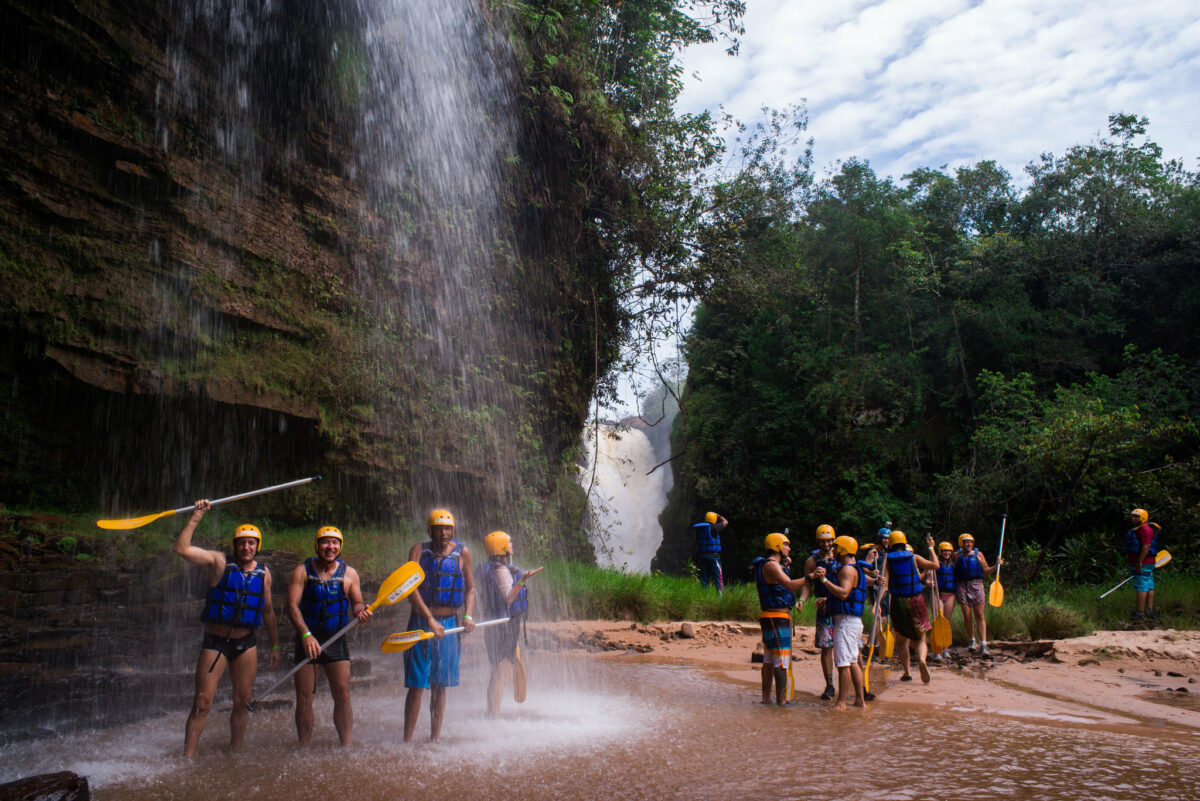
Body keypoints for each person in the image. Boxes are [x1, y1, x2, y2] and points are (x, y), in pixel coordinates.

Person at [172, 500, 280, 757]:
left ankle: (236, 752)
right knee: (202, 703)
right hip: (216, 643)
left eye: (251, 543)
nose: (246, 547)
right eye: (242, 542)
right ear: (235, 545)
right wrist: (197, 516)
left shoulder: (264, 573)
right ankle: (187, 757)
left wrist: (275, 645)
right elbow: (181, 548)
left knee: (242, 702)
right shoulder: (219, 562)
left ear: (258, 546)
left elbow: (267, 611)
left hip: (246, 644)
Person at [285, 525, 372, 747]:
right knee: (304, 697)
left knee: (342, 694)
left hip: (336, 639)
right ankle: (304, 747)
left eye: (335, 543)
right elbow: (291, 606)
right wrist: (305, 635)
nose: (330, 547)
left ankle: (347, 747)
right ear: (317, 545)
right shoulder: (302, 571)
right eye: (325, 542)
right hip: (308, 640)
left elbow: (357, 602)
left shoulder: (350, 574)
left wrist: (361, 611)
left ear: (340, 546)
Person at [403, 508, 476, 742]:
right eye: (438, 528)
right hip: (421, 623)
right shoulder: (418, 550)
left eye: (447, 528)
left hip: (449, 625)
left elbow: (470, 589)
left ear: (452, 530)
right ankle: (406, 741)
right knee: (416, 684)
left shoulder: (463, 552)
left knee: (439, 685)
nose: (443, 533)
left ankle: (434, 738)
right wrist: (429, 619)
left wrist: (468, 616)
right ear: (430, 530)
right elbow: (410, 588)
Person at [475, 530, 543, 718]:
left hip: (495, 625)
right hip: (504, 627)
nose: (512, 546)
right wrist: (524, 578)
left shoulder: (490, 568)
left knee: (498, 671)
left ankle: (492, 714)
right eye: (509, 543)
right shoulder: (501, 570)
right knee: (501, 672)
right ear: (502, 547)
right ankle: (493, 717)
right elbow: (509, 598)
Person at [750, 532, 824, 705]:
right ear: (777, 547)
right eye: (786, 545)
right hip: (777, 618)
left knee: (769, 659)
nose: (789, 548)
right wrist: (810, 577)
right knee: (781, 661)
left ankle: (766, 699)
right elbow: (790, 585)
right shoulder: (772, 566)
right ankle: (782, 702)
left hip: (773, 617)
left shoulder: (773, 565)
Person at [819, 535, 875, 709]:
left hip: (845, 623)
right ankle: (860, 700)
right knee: (852, 661)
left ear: (842, 549)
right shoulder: (854, 569)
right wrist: (827, 601)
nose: (833, 550)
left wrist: (824, 580)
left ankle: (841, 702)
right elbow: (847, 595)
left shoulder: (847, 570)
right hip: (852, 621)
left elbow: (843, 593)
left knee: (843, 663)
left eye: (836, 548)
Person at [882, 530, 937, 683]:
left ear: (891, 545)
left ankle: (907, 672)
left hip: (898, 602)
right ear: (905, 543)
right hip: (916, 600)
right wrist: (931, 548)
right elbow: (935, 565)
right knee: (920, 636)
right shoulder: (914, 558)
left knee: (900, 640)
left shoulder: (888, 560)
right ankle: (921, 660)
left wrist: (878, 604)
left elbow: (884, 584)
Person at [799, 524, 839, 700]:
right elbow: (807, 586)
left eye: (829, 540)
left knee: (848, 647)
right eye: (823, 541)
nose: (827, 544)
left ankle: (859, 685)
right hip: (823, 609)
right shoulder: (812, 561)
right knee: (826, 648)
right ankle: (829, 685)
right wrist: (802, 600)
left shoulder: (840, 556)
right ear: (818, 542)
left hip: (840, 606)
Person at [953, 532, 1001, 655]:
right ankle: (972, 640)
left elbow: (986, 571)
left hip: (976, 584)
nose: (968, 544)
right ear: (961, 543)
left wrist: (996, 566)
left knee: (979, 614)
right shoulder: (956, 555)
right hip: (962, 585)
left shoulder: (978, 554)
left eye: (970, 542)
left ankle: (984, 643)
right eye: (966, 542)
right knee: (967, 615)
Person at [1122, 508, 1159, 623]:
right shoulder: (1141, 529)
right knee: (1148, 584)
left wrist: (1139, 562)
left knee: (1141, 586)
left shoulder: (1144, 530)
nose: (1133, 518)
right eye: (1132, 516)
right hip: (1146, 563)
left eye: (1136, 517)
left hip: (1143, 563)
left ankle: (1140, 613)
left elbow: (1146, 546)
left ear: (1142, 518)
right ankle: (1149, 611)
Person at [930, 541, 957, 663]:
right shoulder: (936, 563)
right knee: (937, 621)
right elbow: (927, 576)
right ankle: (937, 651)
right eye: (944, 551)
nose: (947, 553)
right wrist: (928, 582)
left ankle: (946, 650)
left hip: (950, 595)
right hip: (937, 594)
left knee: (946, 622)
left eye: (949, 551)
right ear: (940, 552)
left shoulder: (954, 564)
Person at [693, 511, 729, 592]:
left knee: (704, 579)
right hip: (713, 556)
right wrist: (719, 516)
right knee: (718, 577)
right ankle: (720, 597)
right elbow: (726, 522)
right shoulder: (714, 528)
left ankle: (705, 596)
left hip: (702, 556)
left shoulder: (699, 529)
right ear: (714, 519)